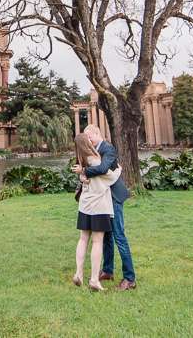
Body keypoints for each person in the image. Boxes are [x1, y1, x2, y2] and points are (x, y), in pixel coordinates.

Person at [71, 124, 136, 290]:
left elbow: (102, 169)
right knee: (105, 236)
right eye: (86, 139)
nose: (88, 140)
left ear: (97, 133)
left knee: (118, 236)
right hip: (100, 197)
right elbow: (88, 171)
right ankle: (107, 270)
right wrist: (82, 175)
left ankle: (129, 278)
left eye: (90, 137)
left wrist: (83, 171)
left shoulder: (108, 149)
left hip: (112, 195)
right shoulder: (90, 152)